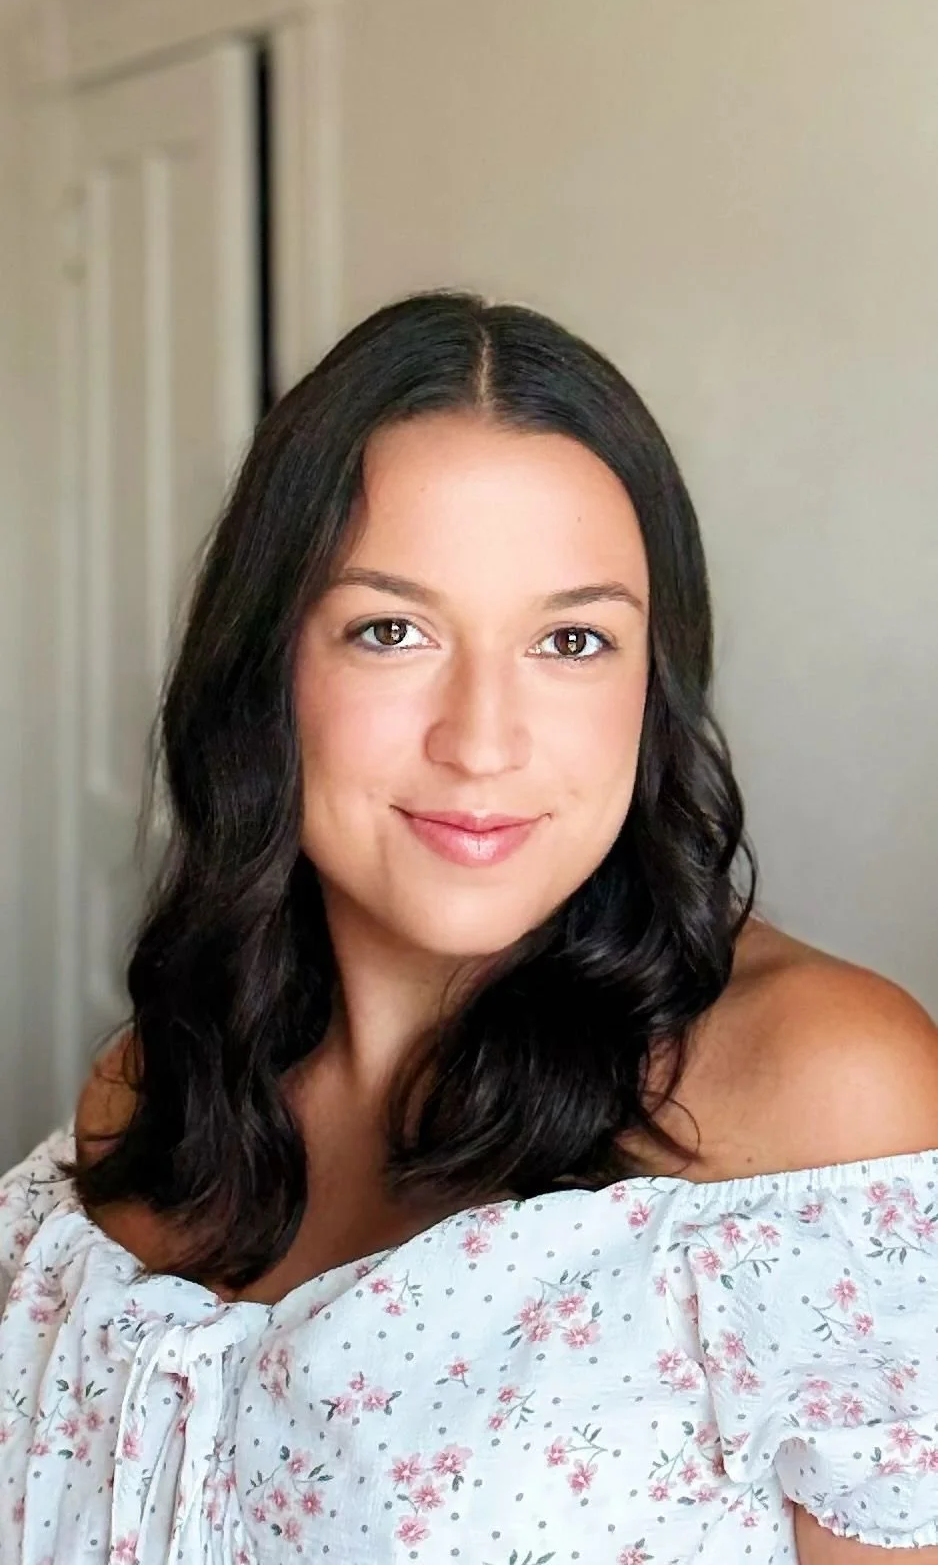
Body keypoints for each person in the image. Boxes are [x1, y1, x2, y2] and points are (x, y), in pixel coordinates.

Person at [2, 291, 937, 1565]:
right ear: (264, 667)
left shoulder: (821, 1096)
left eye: (570, 639)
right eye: (391, 630)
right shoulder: (156, 1089)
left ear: (652, 685)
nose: (482, 738)